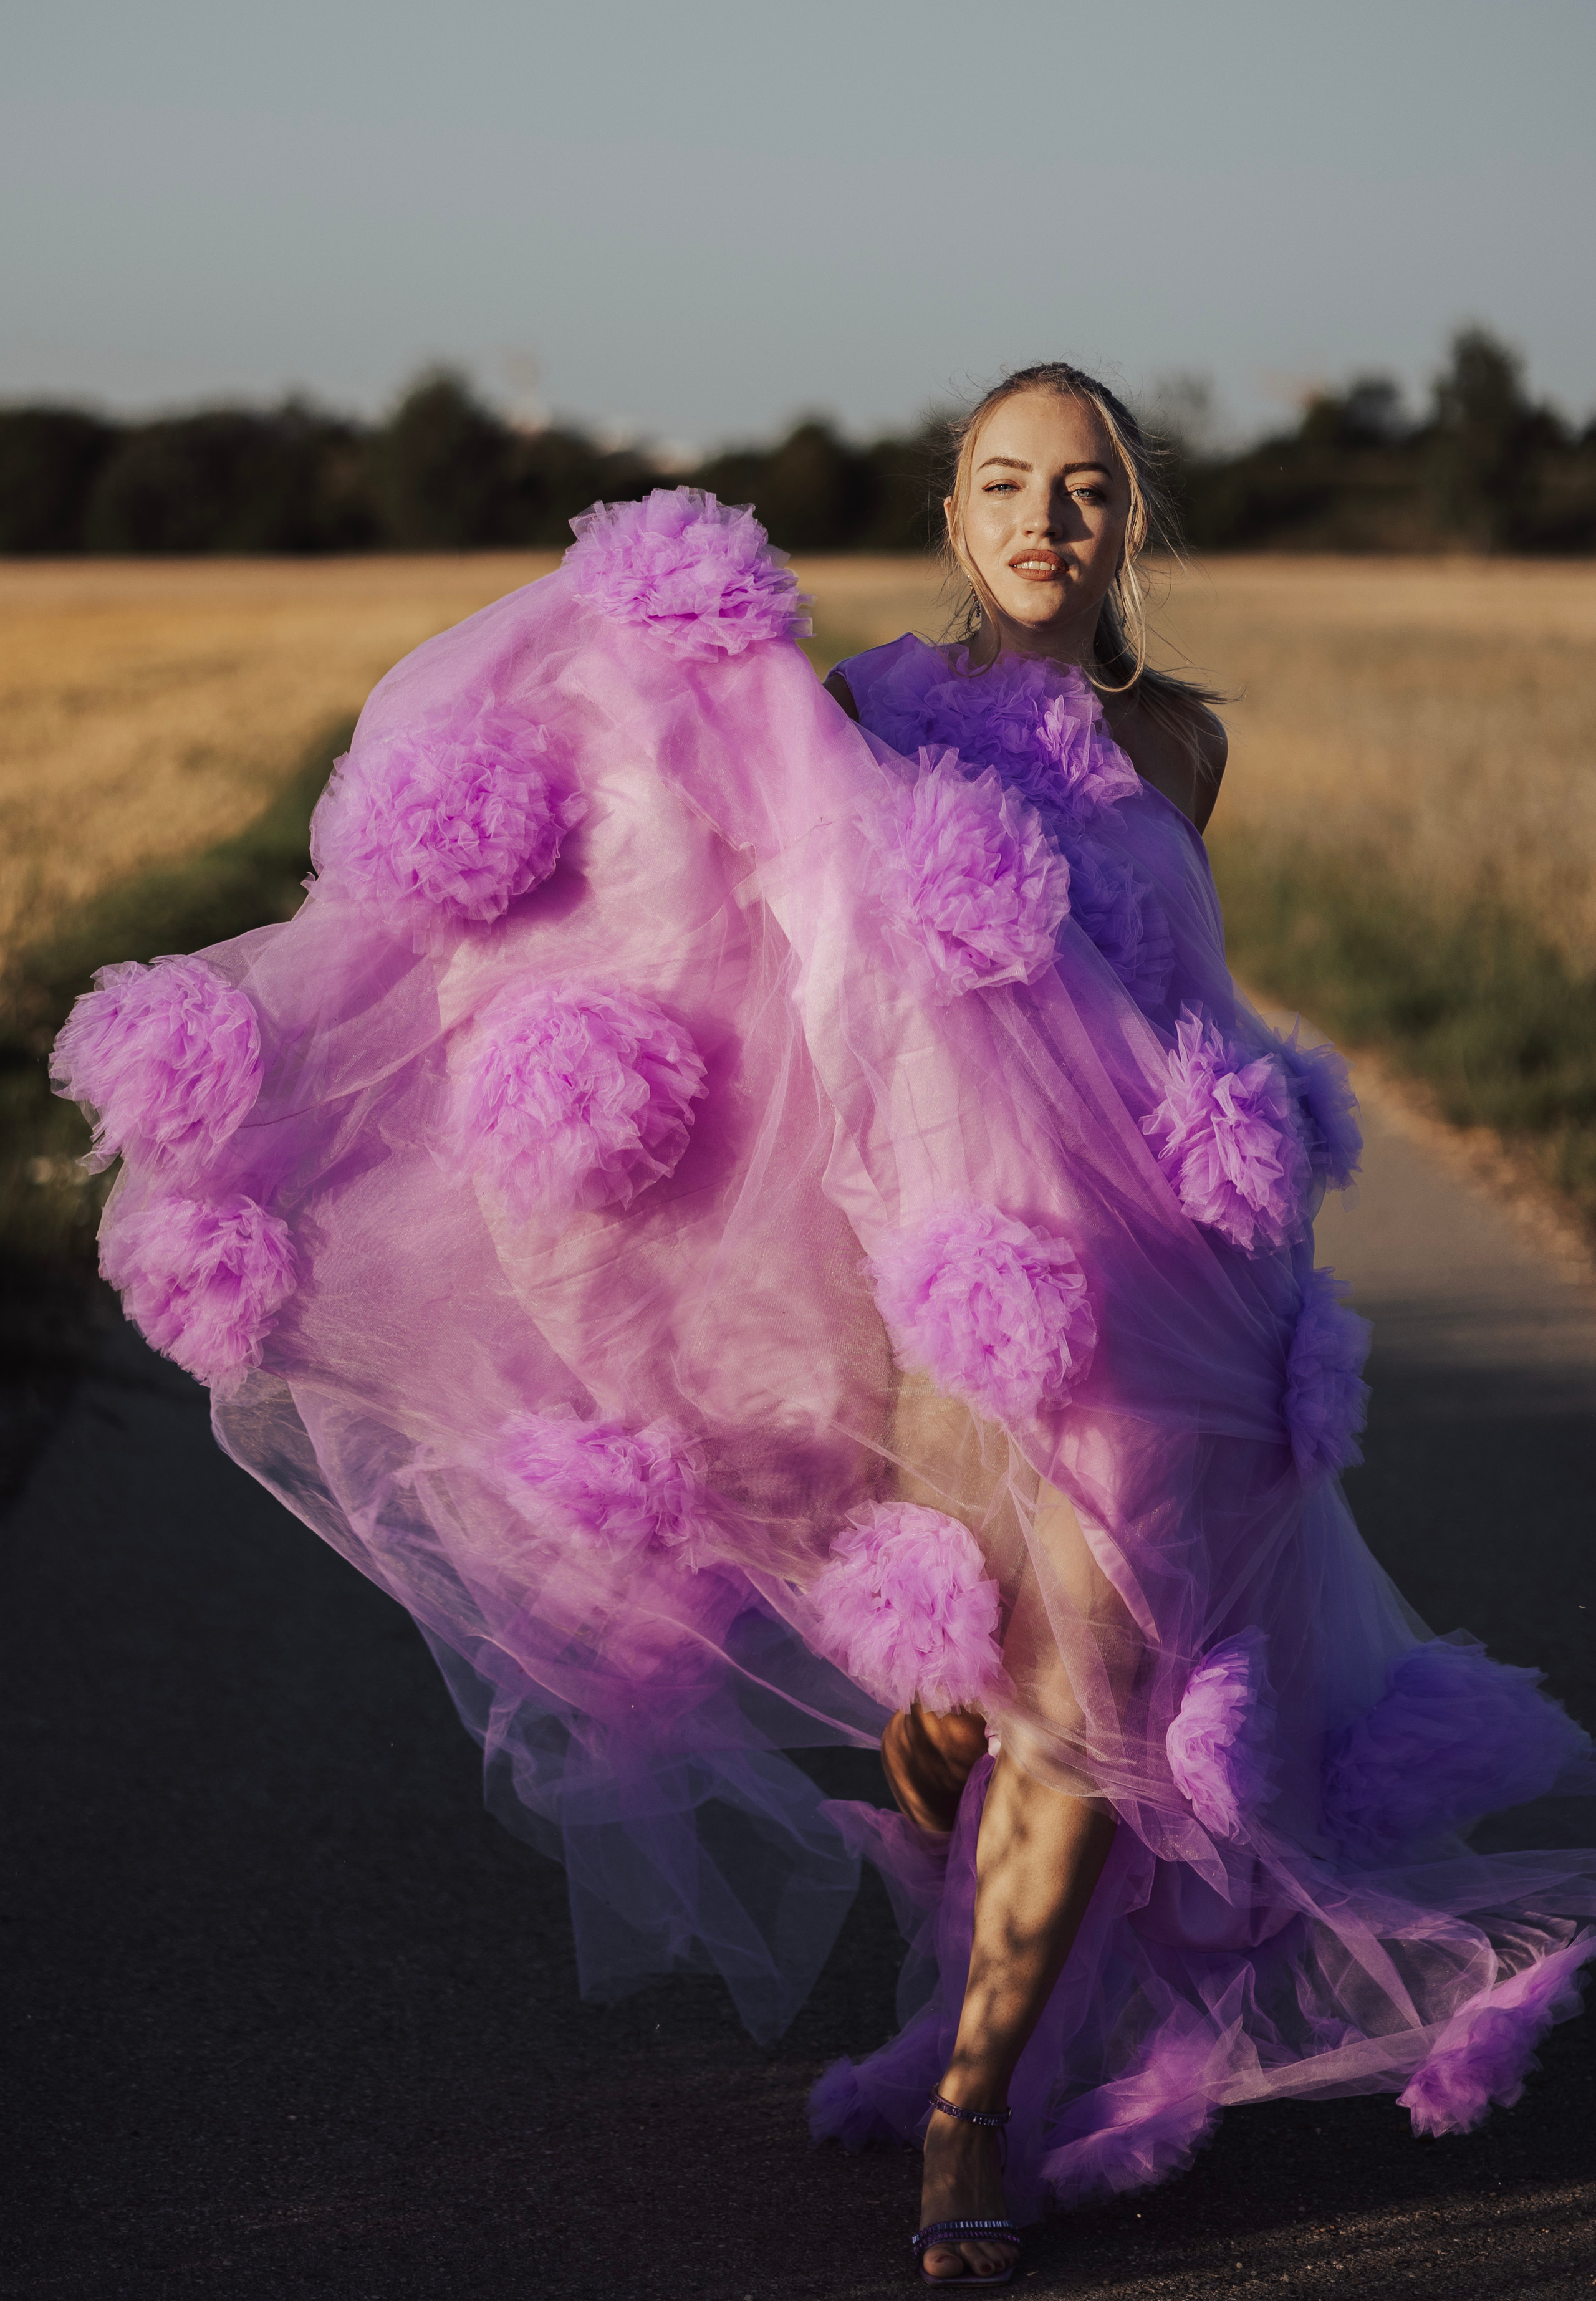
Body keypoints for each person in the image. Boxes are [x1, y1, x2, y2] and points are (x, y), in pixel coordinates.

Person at [52, 362, 1596, 2289]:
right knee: (973, 1680)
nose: (1047, 519)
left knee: (1104, 1675)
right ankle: (940, 1772)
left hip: (1179, 1293)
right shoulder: (870, 712)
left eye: (1087, 488)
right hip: (953, 1278)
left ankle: (971, 2102)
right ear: (956, 520)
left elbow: (1160, 992)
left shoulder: (1184, 743)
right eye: (1007, 484)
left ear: (1131, 526)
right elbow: (705, 893)